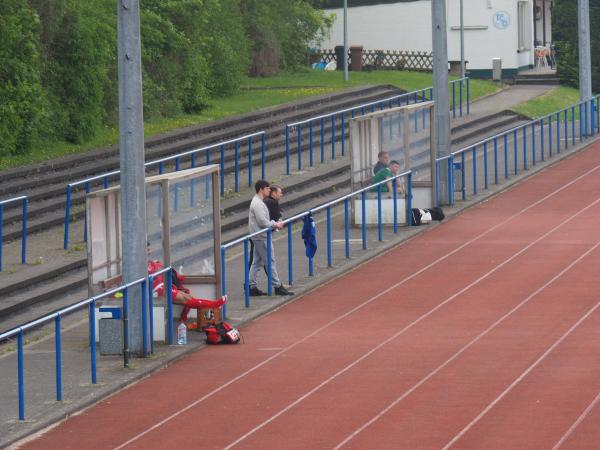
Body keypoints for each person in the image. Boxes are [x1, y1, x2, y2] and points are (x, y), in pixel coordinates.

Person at [147, 242, 226, 322]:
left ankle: (214, 305)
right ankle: (214, 305)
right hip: (157, 290)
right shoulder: (143, 265)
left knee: (188, 297)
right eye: (147, 250)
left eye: (150, 250)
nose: (149, 252)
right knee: (185, 299)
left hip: (161, 286)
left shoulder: (149, 262)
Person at [248, 180, 294, 296]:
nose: (269, 190)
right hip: (261, 236)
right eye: (267, 188)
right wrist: (274, 224)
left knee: (257, 262)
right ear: (261, 189)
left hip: (258, 235)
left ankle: (251, 286)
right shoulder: (257, 203)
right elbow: (262, 221)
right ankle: (277, 286)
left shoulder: (258, 201)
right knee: (270, 260)